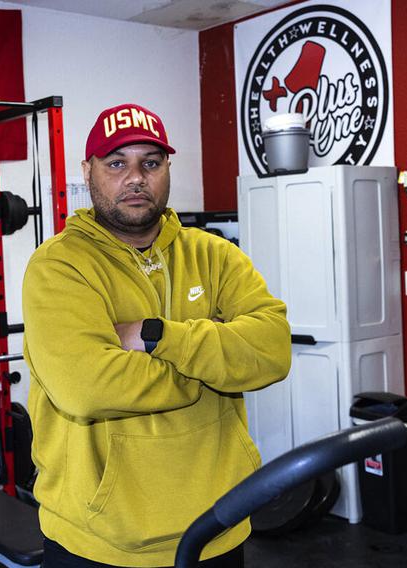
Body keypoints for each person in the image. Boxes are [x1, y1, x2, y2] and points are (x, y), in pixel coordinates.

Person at [22, 103, 291, 568]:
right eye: (116, 163)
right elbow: (88, 387)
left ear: (168, 168)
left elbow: (272, 351)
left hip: (217, 525)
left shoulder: (216, 255)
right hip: (100, 541)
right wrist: (215, 368)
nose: (135, 178)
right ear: (88, 171)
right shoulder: (59, 266)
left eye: (150, 163)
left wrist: (157, 337)